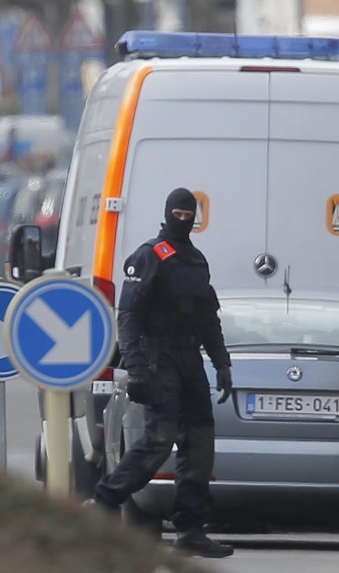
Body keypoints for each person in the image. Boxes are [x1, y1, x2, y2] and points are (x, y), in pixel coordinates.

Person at [86, 187, 235, 558]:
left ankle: (190, 528)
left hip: (190, 358)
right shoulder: (149, 256)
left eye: (189, 214)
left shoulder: (197, 260)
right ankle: (104, 501)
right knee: (159, 439)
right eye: (178, 213)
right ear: (168, 213)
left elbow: (207, 320)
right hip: (158, 357)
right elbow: (129, 316)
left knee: (200, 443)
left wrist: (222, 363)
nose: (183, 220)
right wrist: (135, 366)